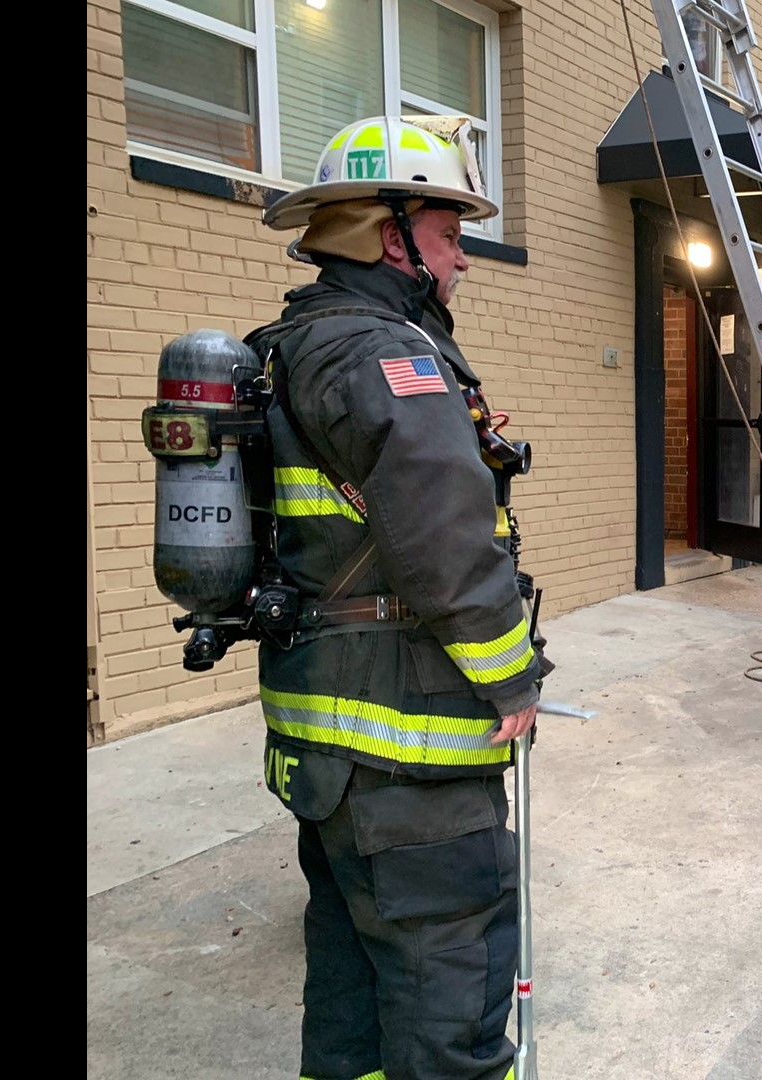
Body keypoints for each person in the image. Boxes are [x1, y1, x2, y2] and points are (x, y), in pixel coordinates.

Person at [247, 115, 547, 1080]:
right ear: (391, 236)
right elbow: (448, 546)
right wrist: (514, 680)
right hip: (401, 750)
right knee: (445, 992)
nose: (462, 260)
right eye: (450, 234)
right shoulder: (386, 355)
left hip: (329, 744)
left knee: (350, 978)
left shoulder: (300, 342)